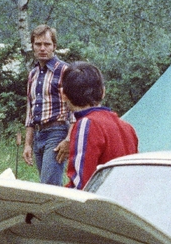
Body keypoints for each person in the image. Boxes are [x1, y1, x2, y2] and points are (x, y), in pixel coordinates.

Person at [59, 61, 138, 190]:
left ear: (63, 95)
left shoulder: (86, 124)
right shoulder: (127, 127)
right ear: (103, 92)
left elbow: (81, 185)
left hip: (101, 205)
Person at [21, 25, 70, 186]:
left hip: (57, 131)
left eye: (47, 44)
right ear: (33, 46)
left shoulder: (64, 70)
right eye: (38, 44)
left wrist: (69, 139)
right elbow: (30, 110)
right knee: (46, 185)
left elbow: (75, 108)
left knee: (49, 185)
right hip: (39, 134)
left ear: (54, 46)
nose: (42, 48)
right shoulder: (33, 74)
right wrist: (28, 144)